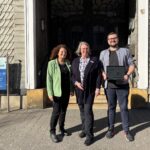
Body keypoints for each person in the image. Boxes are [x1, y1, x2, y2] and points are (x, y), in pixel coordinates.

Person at [99, 32, 135, 142]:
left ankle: (126, 130)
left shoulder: (125, 51)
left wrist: (127, 74)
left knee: (123, 108)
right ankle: (110, 129)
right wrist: (103, 74)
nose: (112, 40)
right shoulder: (103, 53)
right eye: (110, 39)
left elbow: (132, 65)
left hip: (122, 84)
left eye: (114, 38)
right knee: (111, 108)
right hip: (109, 85)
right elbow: (100, 67)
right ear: (107, 40)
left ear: (117, 39)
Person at [71, 41, 102, 146]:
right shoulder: (75, 61)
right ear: (80, 50)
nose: (84, 50)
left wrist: (98, 87)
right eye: (82, 49)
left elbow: (98, 75)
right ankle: (84, 129)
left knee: (88, 111)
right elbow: (72, 76)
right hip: (79, 90)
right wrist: (75, 83)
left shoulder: (94, 60)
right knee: (81, 110)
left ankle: (90, 135)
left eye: (86, 48)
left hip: (90, 91)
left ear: (89, 50)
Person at [46, 44, 74, 143]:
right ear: (57, 53)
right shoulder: (52, 63)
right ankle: (52, 131)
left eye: (65, 52)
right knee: (56, 112)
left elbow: (71, 78)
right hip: (57, 92)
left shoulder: (68, 63)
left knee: (63, 111)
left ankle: (61, 128)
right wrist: (50, 93)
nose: (63, 53)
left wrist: (72, 89)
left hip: (66, 92)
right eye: (61, 51)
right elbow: (49, 80)